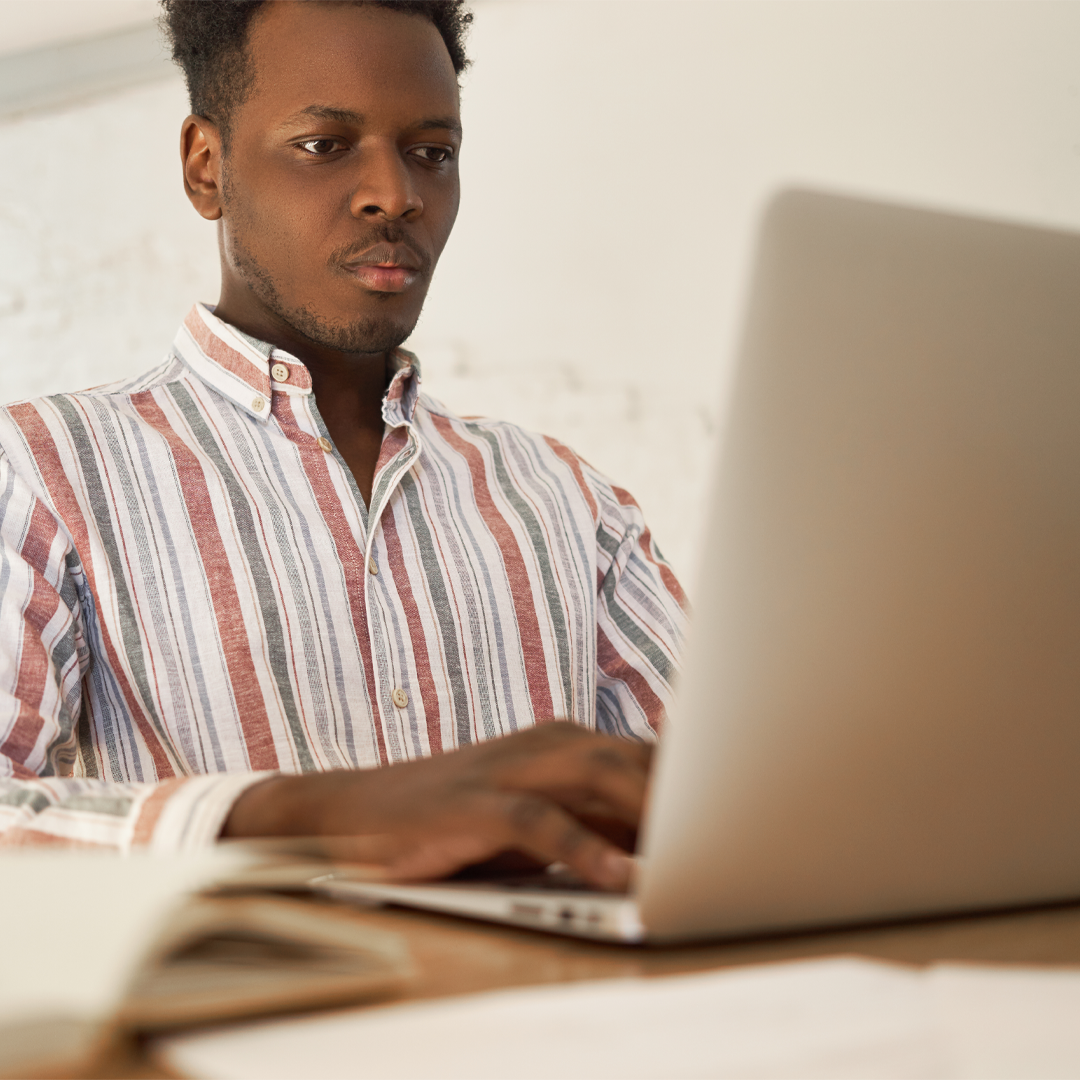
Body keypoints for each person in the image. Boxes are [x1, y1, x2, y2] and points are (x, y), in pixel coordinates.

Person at [0, 0, 687, 891]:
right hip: (247, 1018)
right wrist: (311, 819)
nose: (395, 194)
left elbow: (733, 805)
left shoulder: (568, 499)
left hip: (548, 1009)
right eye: (325, 144)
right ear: (206, 168)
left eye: (431, 152)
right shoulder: (42, 473)